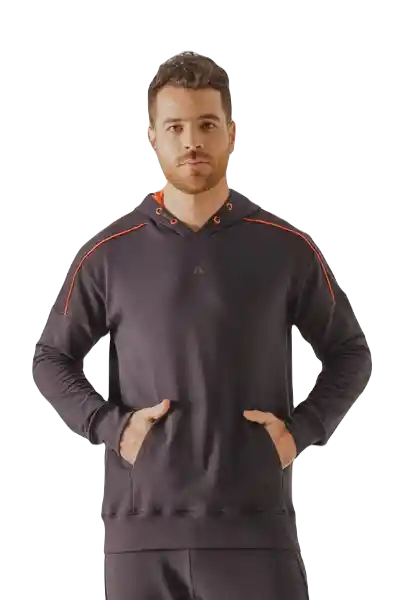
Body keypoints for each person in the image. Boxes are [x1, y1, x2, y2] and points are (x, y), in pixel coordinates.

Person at [32, 52, 373, 599]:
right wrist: (111, 427)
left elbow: (350, 352)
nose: (192, 141)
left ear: (231, 134)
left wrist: (301, 432)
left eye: (207, 125)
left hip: (255, 528)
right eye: (175, 127)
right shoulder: (108, 254)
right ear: (152, 137)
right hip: (142, 535)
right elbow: (50, 358)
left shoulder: (284, 248)